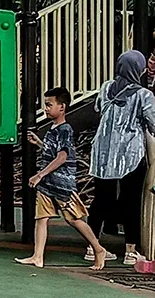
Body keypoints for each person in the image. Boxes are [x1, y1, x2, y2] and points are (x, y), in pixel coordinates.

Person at [89, 51, 155, 265]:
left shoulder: (106, 88)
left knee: (101, 199)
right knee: (131, 200)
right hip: (130, 154)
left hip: (103, 153)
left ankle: (92, 247)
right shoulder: (143, 95)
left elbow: (98, 108)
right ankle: (130, 250)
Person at [15, 87, 108, 270]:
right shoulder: (53, 129)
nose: (46, 108)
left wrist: (40, 174)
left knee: (74, 219)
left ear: (62, 107)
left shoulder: (65, 130)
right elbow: (53, 153)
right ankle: (37, 256)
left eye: (50, 105)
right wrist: (40, 143)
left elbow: (62, 156)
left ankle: (98, 248)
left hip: (61, 183)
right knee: (41, 217)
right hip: (47, 183)